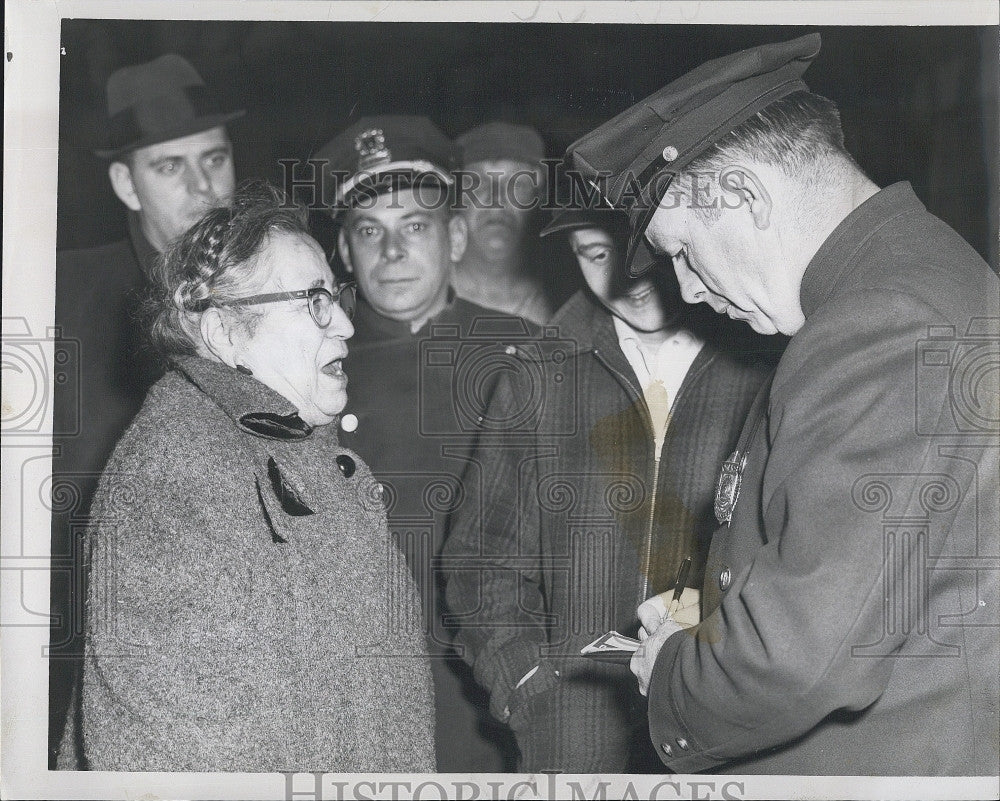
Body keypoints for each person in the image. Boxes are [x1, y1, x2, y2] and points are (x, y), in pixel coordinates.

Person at [567, 32, 1000, 775]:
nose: (690, 289)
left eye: (681, 251)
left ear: (744, 196)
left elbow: (805, 655)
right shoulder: (909, 279)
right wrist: (721, 624)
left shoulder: (879, 323)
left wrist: (672, 667)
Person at [57, 181, 434, 772]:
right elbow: (171, 760)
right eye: (312, 301)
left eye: (335, 297)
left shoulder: (298, 455)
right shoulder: (172, 484)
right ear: (224, 333)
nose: (344, 326)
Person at [443, 205, 777, 772]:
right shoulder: (538, 374)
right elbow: (481, 562)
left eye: (645, 251)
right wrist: (526, 684)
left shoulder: (766, 363)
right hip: (576, 739)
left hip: (731, 737)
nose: (629, 279)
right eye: (596, 255)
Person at [315, 116, 535, 771]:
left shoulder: (524, 353)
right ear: (344, 253)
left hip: (489, 687)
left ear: (457, 235)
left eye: (415, 227)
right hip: (353, 689)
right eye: (368, 232)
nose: (391, 253)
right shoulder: (309, 364)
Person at [50, 52, 242, 764]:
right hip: (94, 644)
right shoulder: (63, 296)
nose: (204, 188)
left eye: (215, 158)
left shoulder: (274, 284)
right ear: (124, 184)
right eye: (170, 167)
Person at [452, 122, 554, 324]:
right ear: (455, 196)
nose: (496, 199)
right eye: (477, 182)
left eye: (517, 183)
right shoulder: (421, 292)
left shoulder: (565, 305)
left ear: (539, 198)